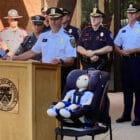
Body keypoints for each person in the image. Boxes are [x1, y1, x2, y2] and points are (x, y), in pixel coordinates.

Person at [7, 7, 76, 92]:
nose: (53, 22)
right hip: (43, 74)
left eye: (56, 19)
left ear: (61, 19)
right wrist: (14, 58)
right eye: (51, 19)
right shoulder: (43, 36)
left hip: (60, 74)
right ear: (48, 20)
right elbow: (32, 52)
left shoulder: (68, 38)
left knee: (57, 102)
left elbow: (71, 60)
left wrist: (60, 61)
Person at [114, 3, 140, 126]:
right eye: (129, 12)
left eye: (133, 12)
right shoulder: (122, 30)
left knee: (138, 89)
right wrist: (120, 51)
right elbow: (116, 44)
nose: (130, 14)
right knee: (127, 89)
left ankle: (139, 116)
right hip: (126, 61)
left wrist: (133, 50)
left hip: (137, 60)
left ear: (137, 14)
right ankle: (126, 115)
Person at [77, 7, 113, 71]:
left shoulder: (106, 32)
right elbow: (79, 47)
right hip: (86, 67)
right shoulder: (85, 31)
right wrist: (87, 53)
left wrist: (93, 53)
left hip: (101, 67)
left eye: (96, 17)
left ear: (101, 19)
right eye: (92, 17)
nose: (93, 19)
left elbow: (110, 48)